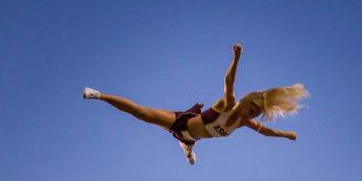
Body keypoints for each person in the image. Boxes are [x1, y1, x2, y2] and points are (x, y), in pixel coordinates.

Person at [83, 43, 308, 165]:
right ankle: (99, 95)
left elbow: (265, 132)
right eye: (253, 108)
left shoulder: (243, 123)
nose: (252, 114)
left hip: (191, 137)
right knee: (143, 114)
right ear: (247, 100)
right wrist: (237, 57)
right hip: (182, 122)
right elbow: (228, 81)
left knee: (187, 144)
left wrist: (285, 134)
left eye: (257, 113)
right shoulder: (228, 103)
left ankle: (187, 152)